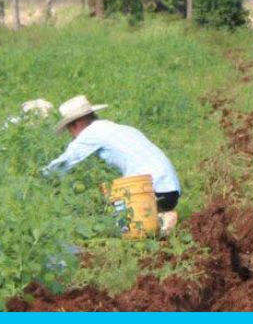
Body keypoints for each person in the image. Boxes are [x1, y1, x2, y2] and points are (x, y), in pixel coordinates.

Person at [42, 95, 182, 233]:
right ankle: (157, 217)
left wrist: (39, 177)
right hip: (170, 190)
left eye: (69, 129)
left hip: (152, 191)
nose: (71, 134)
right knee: (112, 201)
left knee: (117, 225)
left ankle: (159, 219)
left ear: (75, 124)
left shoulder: (90, 134)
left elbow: (64, 163)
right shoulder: (117, 128)